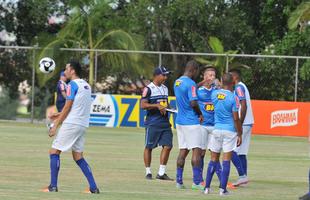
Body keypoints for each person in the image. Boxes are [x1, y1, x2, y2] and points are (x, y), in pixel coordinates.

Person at [42, 60, 99, 194]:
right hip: (82, 124)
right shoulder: (86, 85)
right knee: (78, 156)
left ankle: (53, 186)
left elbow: (68, 106)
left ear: (72, 70)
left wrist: (55, 125)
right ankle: (93, 188)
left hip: (72, 123)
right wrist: (60, 114)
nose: (65, 71)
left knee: (54, 152)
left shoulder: (71, 85)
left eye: (67, 69)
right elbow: (77, 107)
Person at [204, 73, 242, 196]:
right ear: (233, 83)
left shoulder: (214, 94)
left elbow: (214, 87)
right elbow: (236, 118)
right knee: (226, 160)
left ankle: (207, 188)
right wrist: (240, 133)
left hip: (216, 129)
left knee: (213, 159)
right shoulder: (233, 97)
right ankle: (222, 190)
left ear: (221, 81)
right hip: (229, 130)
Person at [174, 60, 204, 190]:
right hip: (191, 122)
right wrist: (200, 114)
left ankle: (179, 181)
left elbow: (187, 92)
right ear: (194, 70)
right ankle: (197, 182)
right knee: (196, 151)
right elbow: (193, 103)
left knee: (183, 151)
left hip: (180, 121)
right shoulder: (191, 84)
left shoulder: (177, 82)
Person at [140, 66, 174, 181]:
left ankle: (161, 173)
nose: (165, 77)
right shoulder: (148, 89)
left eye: (166, 75)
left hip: (165, 122)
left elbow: (165, 103)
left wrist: (170, 109)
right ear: (156, 76)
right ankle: (148, 172)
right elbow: (143, 105)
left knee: (168, 146)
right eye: (163, 75)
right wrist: (156, 106)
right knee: (149, 147)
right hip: (153, 123)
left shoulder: (165, 88)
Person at [229, 69, 254, 187]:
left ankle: (242, 176)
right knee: (242, 152)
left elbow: (243, 105)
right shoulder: (242, 86)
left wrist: (239, 123)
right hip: (248, 122)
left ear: (234, 77)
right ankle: (243, 179)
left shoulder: (238, 87)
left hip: (243, 123)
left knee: (230, 150)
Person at [197, 66, 222, 185]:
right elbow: (190, 91)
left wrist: (220, 86)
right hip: (202, 126)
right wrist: (202, 82)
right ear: (205, 76)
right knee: (201, 153)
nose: (212, 77)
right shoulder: (199, 90)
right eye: (210, 75)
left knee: (215, 153)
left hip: (215, 126)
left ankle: (222, 179)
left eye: (214, 75)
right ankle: (200, 179)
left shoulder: (216, 90)